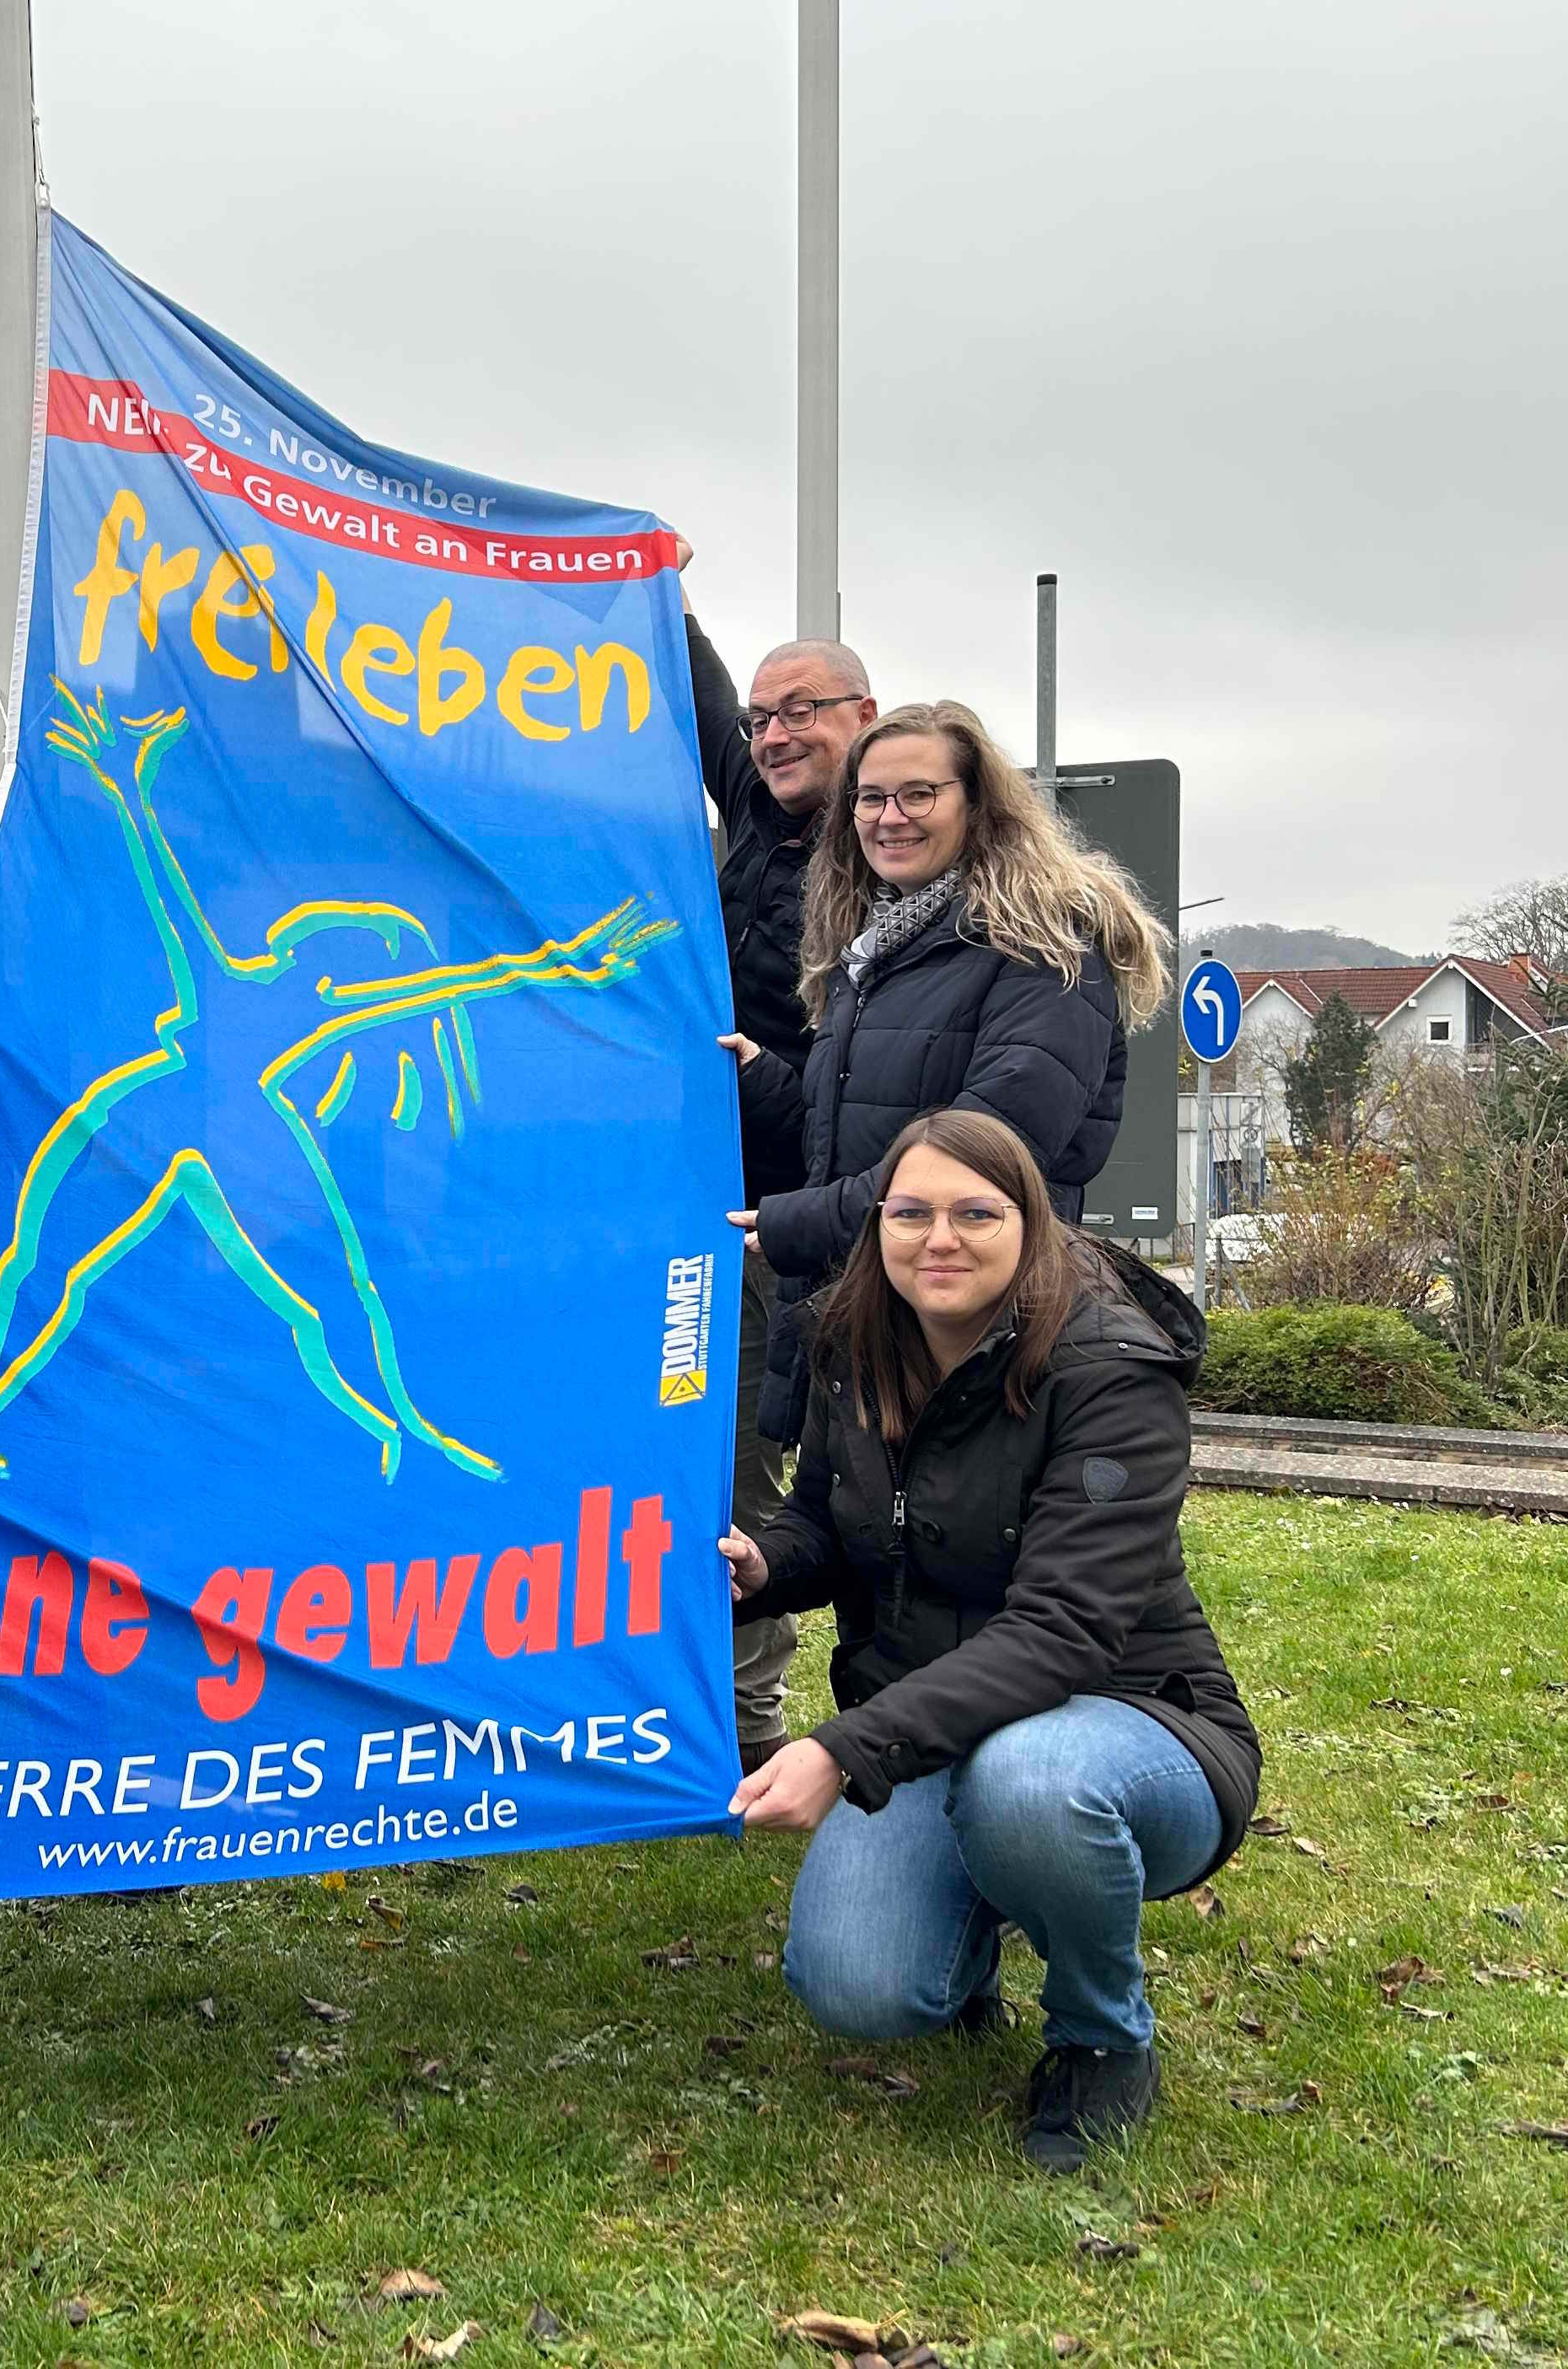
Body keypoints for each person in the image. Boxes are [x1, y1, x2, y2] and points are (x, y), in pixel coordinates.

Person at [720, 1109, 1259, 2172]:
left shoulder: (1110, 1372)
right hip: (934, 1729)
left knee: (1030, 1784)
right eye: (909, 1212)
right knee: (856, 1985)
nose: (939, 1238)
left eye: (977, 1213)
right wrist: (764, 1566)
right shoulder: (852, 1341)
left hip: (1130, 1722)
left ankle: (1101, 2032)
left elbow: (1063, 1630)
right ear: (876, 1223)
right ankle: (970, 1934)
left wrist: (840, 1749)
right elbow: (830, 1524)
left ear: (1032, 1223)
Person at [728, 700, 1170, 1451]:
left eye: (918, 795)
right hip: (873, 1316)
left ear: (979, 805)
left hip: (973, 1327)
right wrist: (757, 1077)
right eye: (869, 797)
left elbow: (986, 1152)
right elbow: (865, 1126)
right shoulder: (880, 949)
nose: (889, 817)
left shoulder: (1041, 944)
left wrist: (799, 1223)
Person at [685, 604, 878, 1772]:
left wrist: (768, 1082)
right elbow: (702, 703)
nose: (771, 733)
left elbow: (879, 1075)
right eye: (762, 717)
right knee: (728, 1457)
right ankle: (732, 1717)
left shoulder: (889, 854)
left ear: (863, 714)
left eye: (799, 709)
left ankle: (772, 1724)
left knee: (807, 1466)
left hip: (821, 1213)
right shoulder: (756, 804)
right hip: (714, 1196)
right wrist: (657, 582)